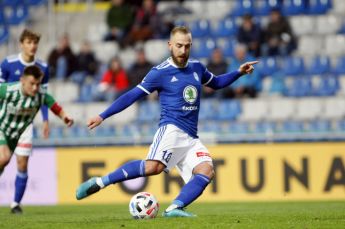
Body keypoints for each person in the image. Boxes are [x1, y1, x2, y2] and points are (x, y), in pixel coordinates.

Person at [76, 26, 257, 217]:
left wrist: (239, 72)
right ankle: (100, 182)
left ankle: (175, 208)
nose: (183, 50)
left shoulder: (197, 67)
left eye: (187, 46)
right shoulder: (160, 72)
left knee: (206, 170)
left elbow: (217, 83)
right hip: (171, 128)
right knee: (153, 167)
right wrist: (102, 115)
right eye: (179, 46)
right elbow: (132, 95)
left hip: (191, 137)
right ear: (170, 45)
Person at [0, 66, 74, 214]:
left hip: (22, 132)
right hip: (3, 128)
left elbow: (54, 105)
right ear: (22, 81)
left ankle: (15, 205)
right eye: (31, 84)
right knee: (4, 158)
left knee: (22, 164)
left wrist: (65, 117)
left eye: (38, 84)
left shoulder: (40, 94)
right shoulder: (8, 90)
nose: (35, 88)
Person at [0, 29, 51, 214]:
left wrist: (45, 120)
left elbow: (45, 97)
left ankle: (15, 204)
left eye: (35, 42)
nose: (32, 46)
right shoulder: (8, 64)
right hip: (5, 120)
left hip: (25, 123)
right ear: (21, 44)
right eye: (29, 42)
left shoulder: (43, 68)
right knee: (3, 161)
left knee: (22, 163)